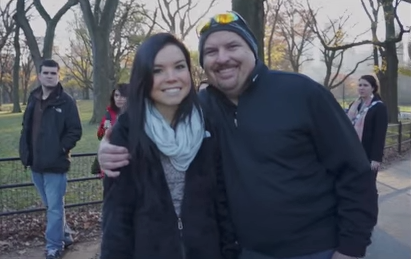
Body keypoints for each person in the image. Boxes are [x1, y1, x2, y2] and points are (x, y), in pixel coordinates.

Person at [98, 12, 378, 259]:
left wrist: (352, 247)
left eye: (232, 46)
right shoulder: (202, 111)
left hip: (315, 250)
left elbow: (354, 171)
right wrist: (105, 148)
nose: (222, 58)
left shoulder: (302, 94)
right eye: (211, 51)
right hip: (245, 251)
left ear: (253, 51)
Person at [100, 32, 239, 259]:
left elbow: (221, 204)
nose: (171, 77)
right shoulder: (128, 130)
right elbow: (117, 215)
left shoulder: (207, 122)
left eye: (179, 67)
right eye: (158, 70)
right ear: (143, 77)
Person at [19, 59, 82, 259]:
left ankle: (54, 247)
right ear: (39, 75)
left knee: (55, 208)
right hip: (35, 164)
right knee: (51, 207)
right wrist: (25, 152)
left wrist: (60, 148)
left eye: (53, 73)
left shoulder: (66, 101)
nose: (49, 76)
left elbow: (75, 131)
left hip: (56, 164)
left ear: (58, 75)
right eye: (45, 73)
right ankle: (66, 235)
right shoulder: (33, 98)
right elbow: (26, 127)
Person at [347, 75, 388, 177]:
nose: (361, 88)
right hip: (352, 152)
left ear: (373, 88)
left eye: (365, 85)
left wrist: (376, 158)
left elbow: (380, 135)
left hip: (368, 154)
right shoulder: (354, 105)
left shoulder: (379, 107)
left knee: (367, 187)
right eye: (360, 85)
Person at [91, 83, 128, 178]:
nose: (119, 98)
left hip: (127, 159)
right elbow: (100, 136)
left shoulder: (135, 115)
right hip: (110, 159)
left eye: (123, 95)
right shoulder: (108, 115)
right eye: (116, 95)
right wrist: (102, 131)